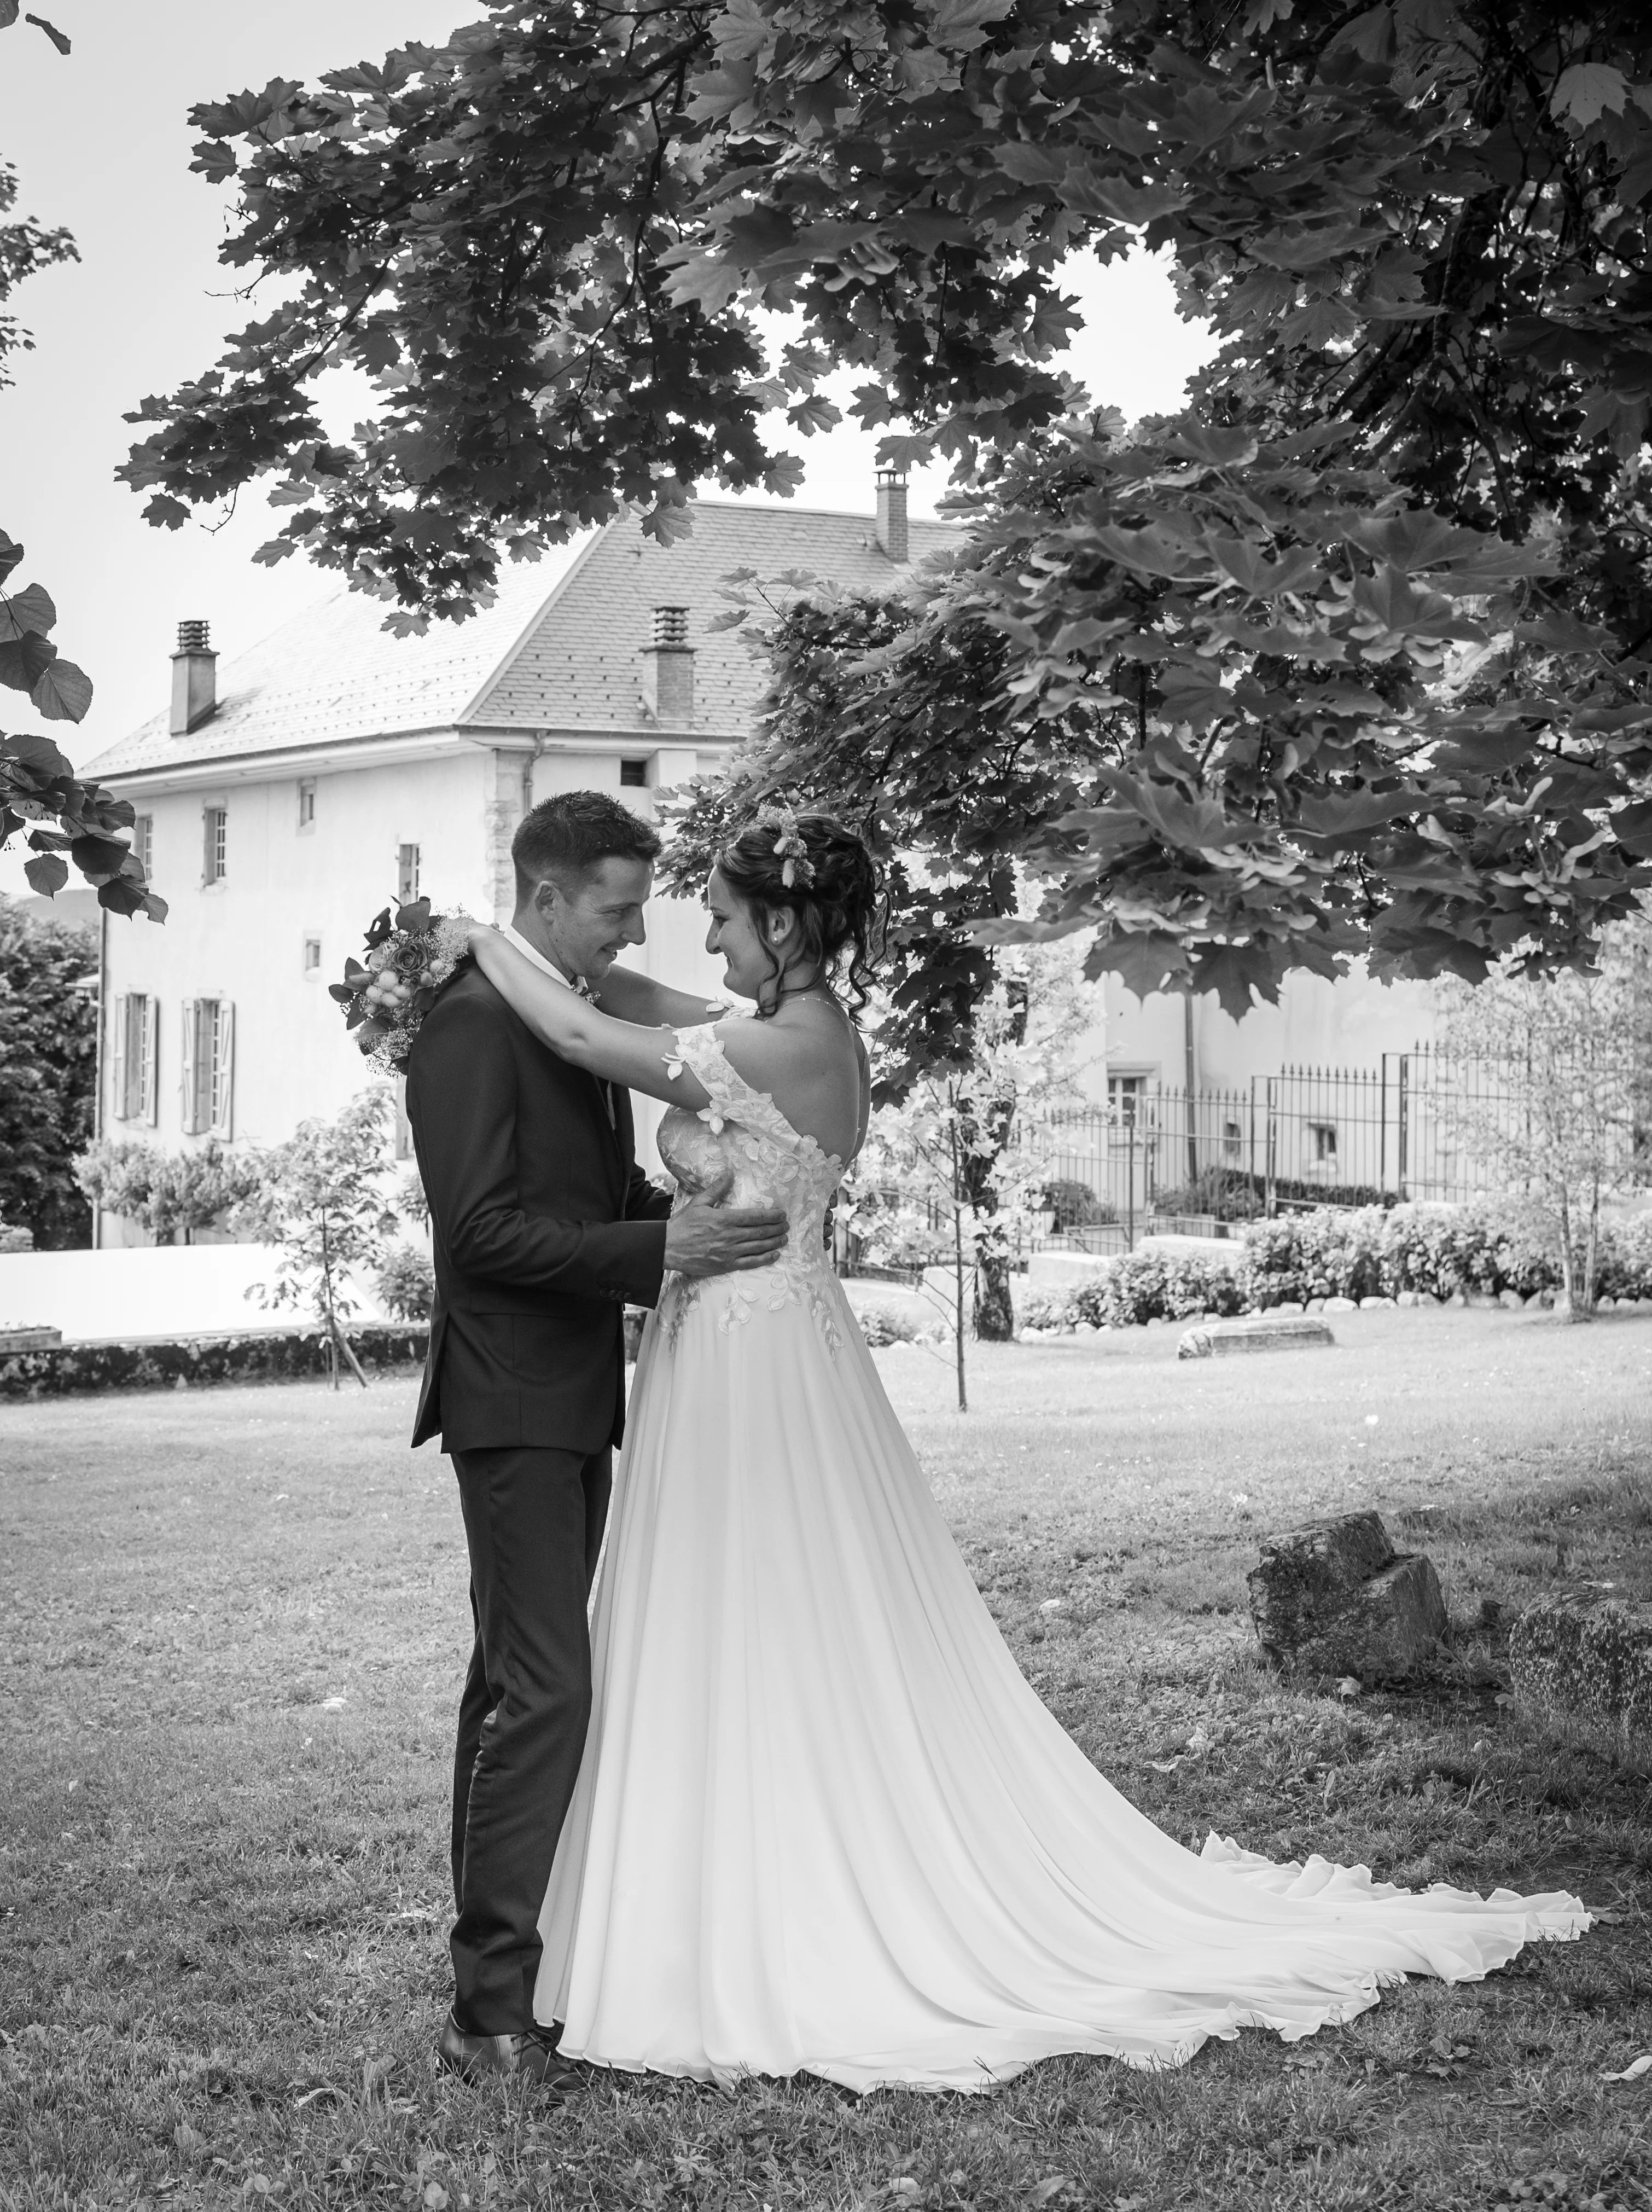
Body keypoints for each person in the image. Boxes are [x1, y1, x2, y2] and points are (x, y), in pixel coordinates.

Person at [462, 806, 1589, 2093]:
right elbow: (619, 991)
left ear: (775, 927)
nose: (695, 929)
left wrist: (471, 939)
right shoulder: (780, 1023)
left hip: (755, 1361)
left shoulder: (780, 1047)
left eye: (718, 911)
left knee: (770, 1602)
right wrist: (542, 953)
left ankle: (785, 1886)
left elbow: (575, 1030)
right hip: (727, 1349)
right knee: (728, 1606)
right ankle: (707, 1873)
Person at [406, 791, 789, 2087]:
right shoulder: (469, 1027)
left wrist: (680, 1214)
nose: (632, 933)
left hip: (571, 1395)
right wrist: (655, 1250)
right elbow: (479, 1238)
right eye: (617, 909)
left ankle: (500, 1981)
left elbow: (583, 1196)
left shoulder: (561, 1018)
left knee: (512, 1680)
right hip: (509, 1398)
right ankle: (490, 2015)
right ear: (551, 896)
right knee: (548, 1686)